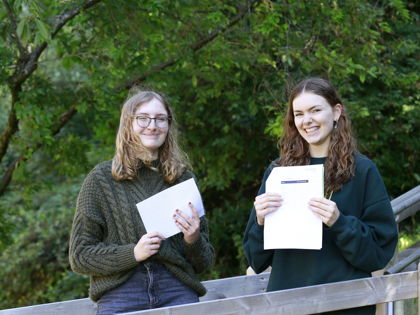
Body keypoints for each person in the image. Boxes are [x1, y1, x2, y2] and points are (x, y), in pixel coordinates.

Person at [243, 77, 398, 315]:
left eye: (315, 110)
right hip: (288, 305)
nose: (307, 121)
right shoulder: (278, 171)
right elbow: (256, 260)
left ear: (336, 112)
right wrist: (261, 222)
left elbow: (378, 254)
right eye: (299, 114)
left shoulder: (363, 170)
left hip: (346, 304)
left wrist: (340, 222)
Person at [69, 89, 214, 315]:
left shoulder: (183, 179)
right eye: (143, 118)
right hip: (121, 291)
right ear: (128, 124)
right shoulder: (100, 180)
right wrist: (133, 253)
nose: (152, 125)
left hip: (176, 288)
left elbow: (204, 262)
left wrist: (193, 238)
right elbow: (80, 256)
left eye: (160, 119)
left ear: (168, 125)